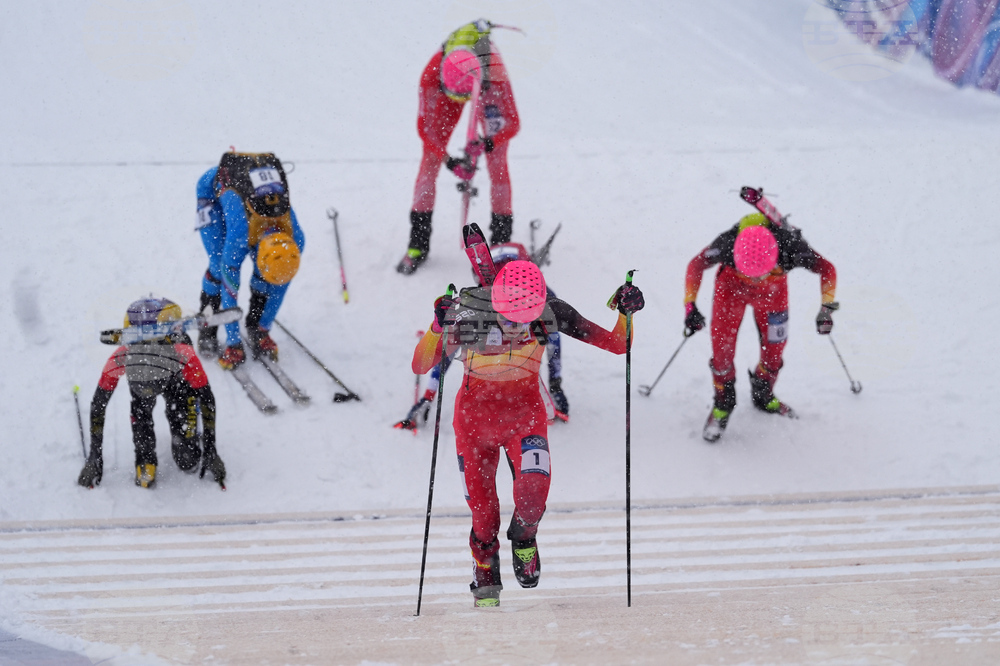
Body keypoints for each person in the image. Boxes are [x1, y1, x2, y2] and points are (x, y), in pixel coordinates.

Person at [412, 261, 644, 606]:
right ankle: (485, 567)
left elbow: (616, 343)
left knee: (533, 494)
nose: (516, 328)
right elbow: (420, 364)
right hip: (474, 424)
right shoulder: (468, 313)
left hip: (524, 417)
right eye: (507, 319)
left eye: (525, 322)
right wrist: (436, 327)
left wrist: (626, 312)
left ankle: (524, 538)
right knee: (484, 515)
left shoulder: (553, 311)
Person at [684, 208, 837, 442]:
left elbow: (827, 269)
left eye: (760, 274)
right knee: (721, 350)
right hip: (730, 290)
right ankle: (723, 404)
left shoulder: (792, 247)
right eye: (749, 273)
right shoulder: (727, 243)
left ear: (776, 257)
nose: (755, 280)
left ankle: (763, 395)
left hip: (773, 294)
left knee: (775, 348)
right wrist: (690, 307)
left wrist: (826, 308)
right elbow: (695, 265)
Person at [397, 242, 569, 430]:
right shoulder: (486, 303)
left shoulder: (534, 298)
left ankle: (553, 384)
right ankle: (553, 385)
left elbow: (552, 332)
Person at [397, 19, 521, 275]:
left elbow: (513, 123)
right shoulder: (431, 77)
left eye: (463, 100)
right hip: (449, 90)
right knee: (429, 161)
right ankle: (417, 243)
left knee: (497, 164)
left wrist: (487, 143)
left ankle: (500, 244)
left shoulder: (495, 75)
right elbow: (425, 131)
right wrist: (449, 160)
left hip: (483, 87)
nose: (460, 105)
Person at [78, 297, 226, 489]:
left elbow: (207, 399)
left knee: (188, 461)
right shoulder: (120, 357)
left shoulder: (184, 354)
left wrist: (210, 449)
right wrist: (94, 456)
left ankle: (186, 427)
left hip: (178, 384)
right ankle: (145, 457)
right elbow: (99, 404)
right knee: (141, 416)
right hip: (145, 386)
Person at [195, 151, 305, 368]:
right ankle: (207, 326)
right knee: (219, 267)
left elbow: (280, 288)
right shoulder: (240, 237)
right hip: (211, 192)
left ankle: (255, 326)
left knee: (268, 279)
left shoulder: (296, 241)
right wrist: (233, 343)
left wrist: (264, 329)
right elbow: (230, 288)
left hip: (252, 211)